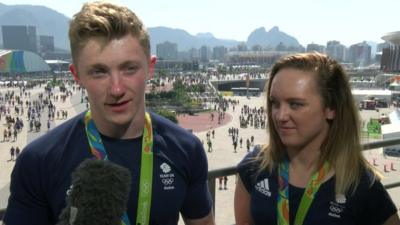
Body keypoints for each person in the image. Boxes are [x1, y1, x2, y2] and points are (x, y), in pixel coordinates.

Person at [3, 2, 214, 225]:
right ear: (77, 75)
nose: (116, 89)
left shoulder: (186, 149)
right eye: (99, 72)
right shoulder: (39, 161)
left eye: (129, 68)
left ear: (150, 68)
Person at [234, 53, 400, 225]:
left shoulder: (360, 184)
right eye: (275, 103)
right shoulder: (254, 166)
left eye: (295, 104)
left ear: (331, 108)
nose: (280, 115)